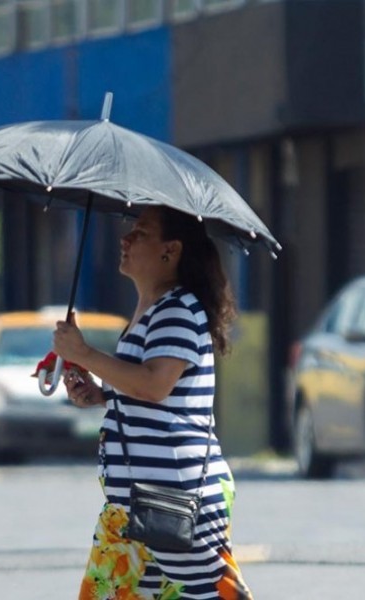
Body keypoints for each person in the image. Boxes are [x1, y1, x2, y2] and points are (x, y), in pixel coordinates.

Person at [54, 206, 254, 599]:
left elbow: (155, 385)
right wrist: (100, 392)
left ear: (171, 250)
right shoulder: (153, 310)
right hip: (139, 503)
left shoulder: (176, 310)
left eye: (141, 233)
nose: (125, 240)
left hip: (173, 500)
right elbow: (152, 394)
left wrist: (87, 354)